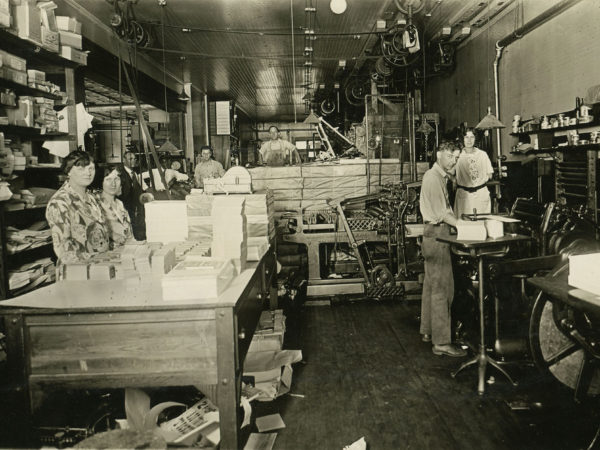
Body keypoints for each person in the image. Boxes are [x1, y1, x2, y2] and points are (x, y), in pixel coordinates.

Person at [419, 141, 467, 357]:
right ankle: (441, 342)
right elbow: (442, 213)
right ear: (439, 154)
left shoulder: (439, 177)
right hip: (437, 234)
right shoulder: (434, 178)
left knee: (431, 286)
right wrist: (465, 227)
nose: (453, 161)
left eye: (456, 158)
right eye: (450, 156)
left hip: (433, 234)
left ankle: (428, 332)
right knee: (443, 289)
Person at [46, 150, 110, 277]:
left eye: (91, 168)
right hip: (78, 274)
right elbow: (63, 251)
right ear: (68, 171)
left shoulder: (92, 198)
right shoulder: (60, 202)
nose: (88, 173)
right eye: (81, 168)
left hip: (100, 269)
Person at [454, 128, 494, 219]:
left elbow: (490, 174)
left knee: (482, 223)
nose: (469, 140)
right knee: (464, 224)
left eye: (472, 137)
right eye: (466, 137)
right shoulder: (458, 155)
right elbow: (450, 171)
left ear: (476, 139)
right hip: (464, 194)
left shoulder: (482, 155)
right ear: (462, 139)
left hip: (480, 193)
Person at [96, 165, 133, 248]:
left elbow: (128, 231)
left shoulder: (120, 204)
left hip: (125, 252)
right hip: (106, 255)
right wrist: (113, 235)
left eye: (116, 179)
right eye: (108, 179)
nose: (113, 183)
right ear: (101, 182)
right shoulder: (96, 203)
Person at [119, 150, 145, 240]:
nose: (133, 161)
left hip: (136, 209)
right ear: (124, 160)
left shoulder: (135, 174)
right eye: (130, 159)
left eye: (134, 159)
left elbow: (141, 189)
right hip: (126, 208)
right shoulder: (120, 174)